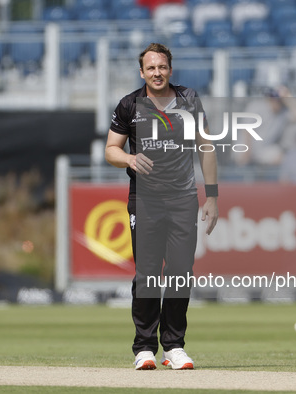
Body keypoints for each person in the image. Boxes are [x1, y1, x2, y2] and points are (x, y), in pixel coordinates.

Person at [104, 43, 218, 370]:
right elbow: (111, 149)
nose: (157, 73)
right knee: (148, 274)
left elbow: (206, 147)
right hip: (145, 201)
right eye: (151, 68)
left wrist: (212, 196)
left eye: (162, 67)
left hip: (183, 200)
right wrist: (128, 157)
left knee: (181, 274)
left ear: (170, 69)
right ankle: (144, 348)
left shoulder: (188, 100)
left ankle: (174, 346)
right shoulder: (129, 105)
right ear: (142, 72)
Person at [237, 86, 296, 167]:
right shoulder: (256, 106)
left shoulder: (283, 113)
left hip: (263, 150)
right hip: (245, 148)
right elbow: (246, 130)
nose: (276, 101)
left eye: (279, 99)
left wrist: (288, 97)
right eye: (273, 98)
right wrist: (247, 152)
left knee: (283, 157)